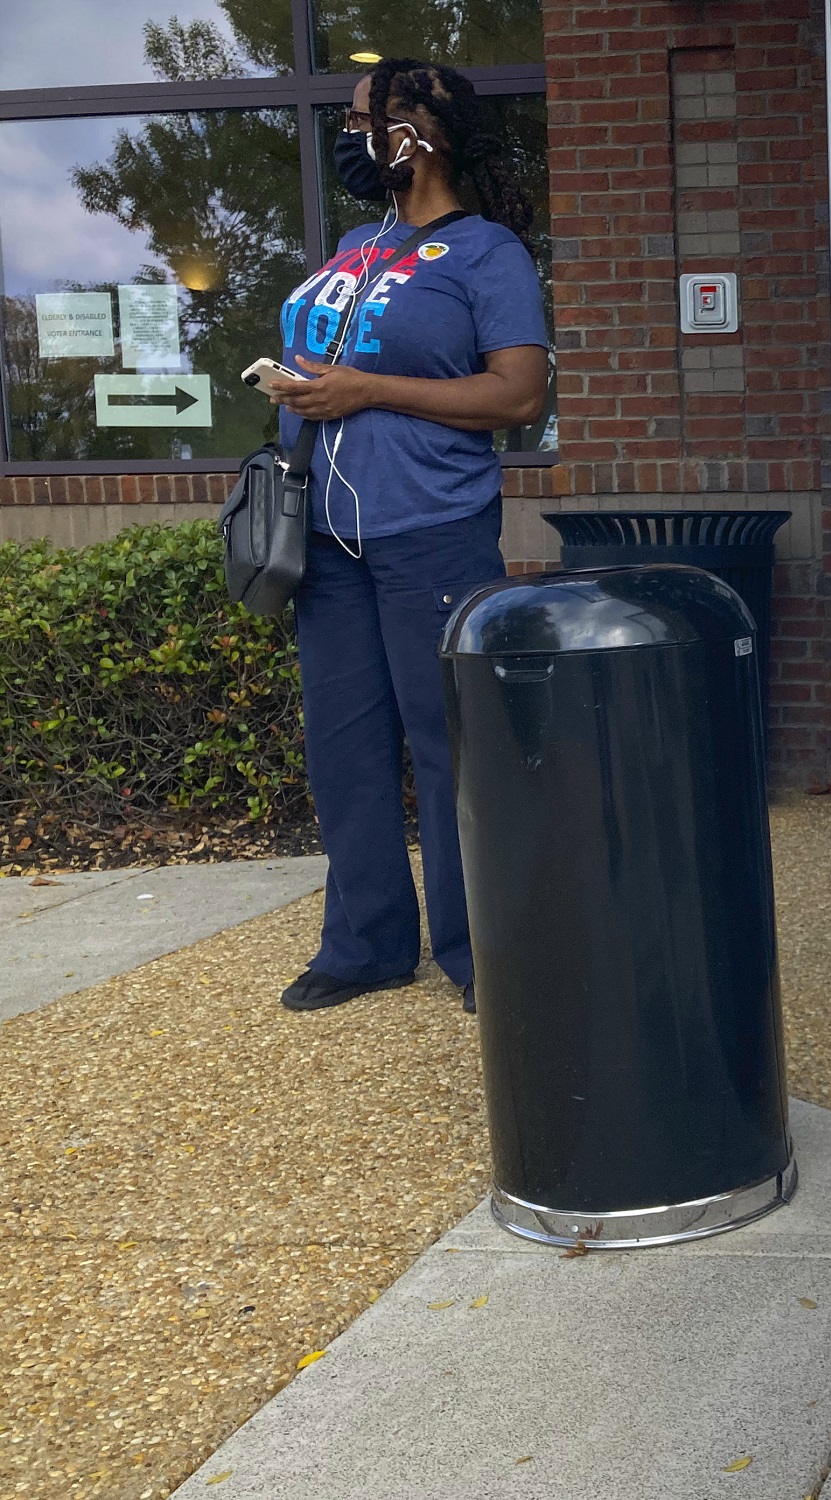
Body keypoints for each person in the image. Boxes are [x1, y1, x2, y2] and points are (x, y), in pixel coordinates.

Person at [263, 58, 549, 1015]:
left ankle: (483, 952)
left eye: (360, 119)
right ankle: (366, 945)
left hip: (430, 531)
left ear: (416, 133)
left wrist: (370, 389)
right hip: (330, 538)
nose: (348, 137)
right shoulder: (356, 242)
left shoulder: (486, 254)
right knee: (342, 748)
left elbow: (518, 393)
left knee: (450, 747)